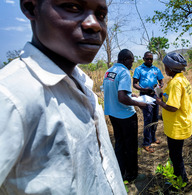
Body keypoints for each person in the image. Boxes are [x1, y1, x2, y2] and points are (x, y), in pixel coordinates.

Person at [0, 0, 126, 193]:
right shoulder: (10, 96)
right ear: (31, 7)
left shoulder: (82, 82)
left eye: (101, 15)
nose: (94, 24)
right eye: (73, 7)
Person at [103, 49, 148, 182]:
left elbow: (111, 90)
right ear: (124, 60)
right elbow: (122, 98)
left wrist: (130, 95)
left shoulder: (109, 72)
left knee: (120, 143)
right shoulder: (124, 72)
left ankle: (120, 172)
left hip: (112, 113)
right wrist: (137, 103)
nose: (132, 65)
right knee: (131, 145)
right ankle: (132, 175)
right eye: (131, 61)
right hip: (125, 116)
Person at [155, 52, 192, 183]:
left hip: (176, 126)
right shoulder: (182, 80)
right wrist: (164, 97)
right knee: (176, 154)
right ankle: (180, 178)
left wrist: (160, 103)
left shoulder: (176, 83)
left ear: (171, 68)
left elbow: (173, 107)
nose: (164, 69)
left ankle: (182, 182)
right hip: (183, 122)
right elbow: (177, 99)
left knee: (175, 155)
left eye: (165, 66)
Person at [133, 51, 164, 153]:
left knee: (155, 118)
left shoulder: (156, 69)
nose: (149, 60)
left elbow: (161, 81)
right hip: (145, 96)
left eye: (151, 59)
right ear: (144, 59)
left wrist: (159, 87)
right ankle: (146, 143)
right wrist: (144, 89)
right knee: (148, 119)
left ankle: (153, 138)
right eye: (147, 59)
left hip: (155, 96)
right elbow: (135, 84)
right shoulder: (139, 69)